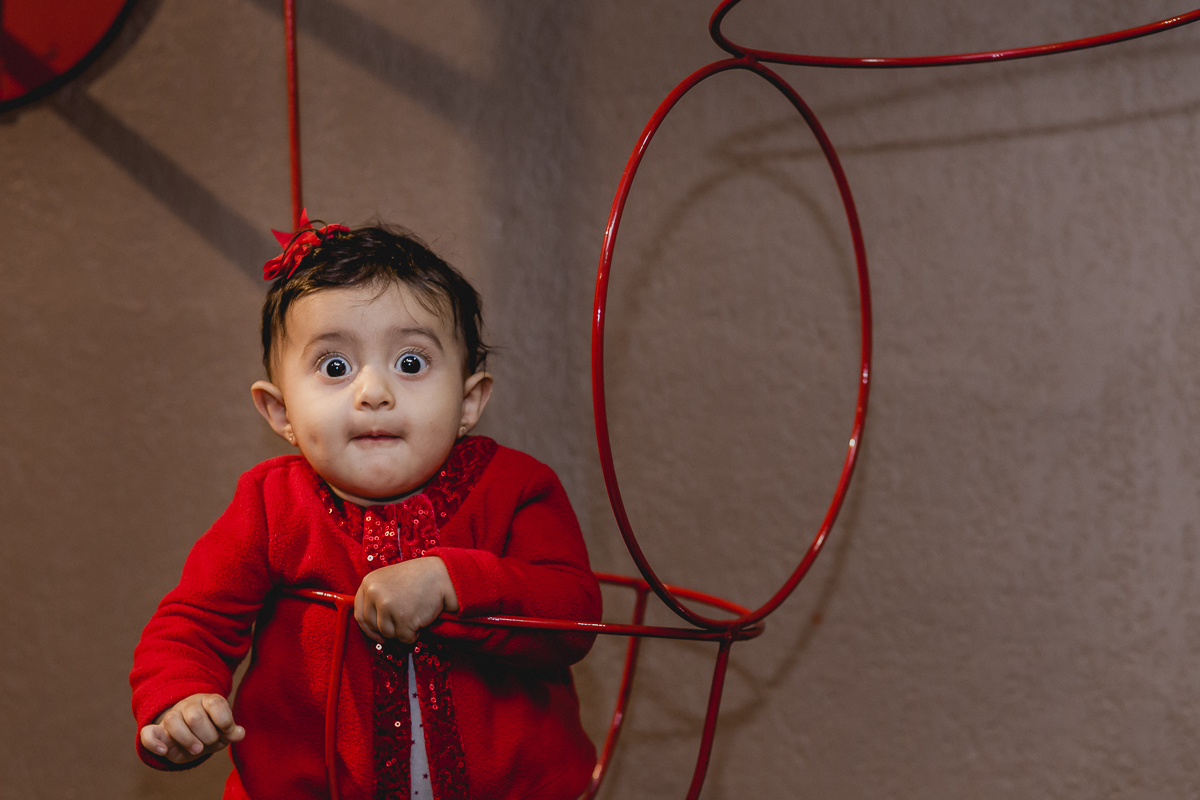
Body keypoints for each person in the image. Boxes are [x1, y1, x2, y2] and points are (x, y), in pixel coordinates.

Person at [130, 214, 601, 800]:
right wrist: (180, 700)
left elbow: (573, 614)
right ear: (280, 414)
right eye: (335, 367)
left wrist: (452, 581)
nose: (373, 392)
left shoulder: (516, 487)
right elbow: (191, 623)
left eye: (410, 363)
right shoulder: (270, 505)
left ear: (469, 401)